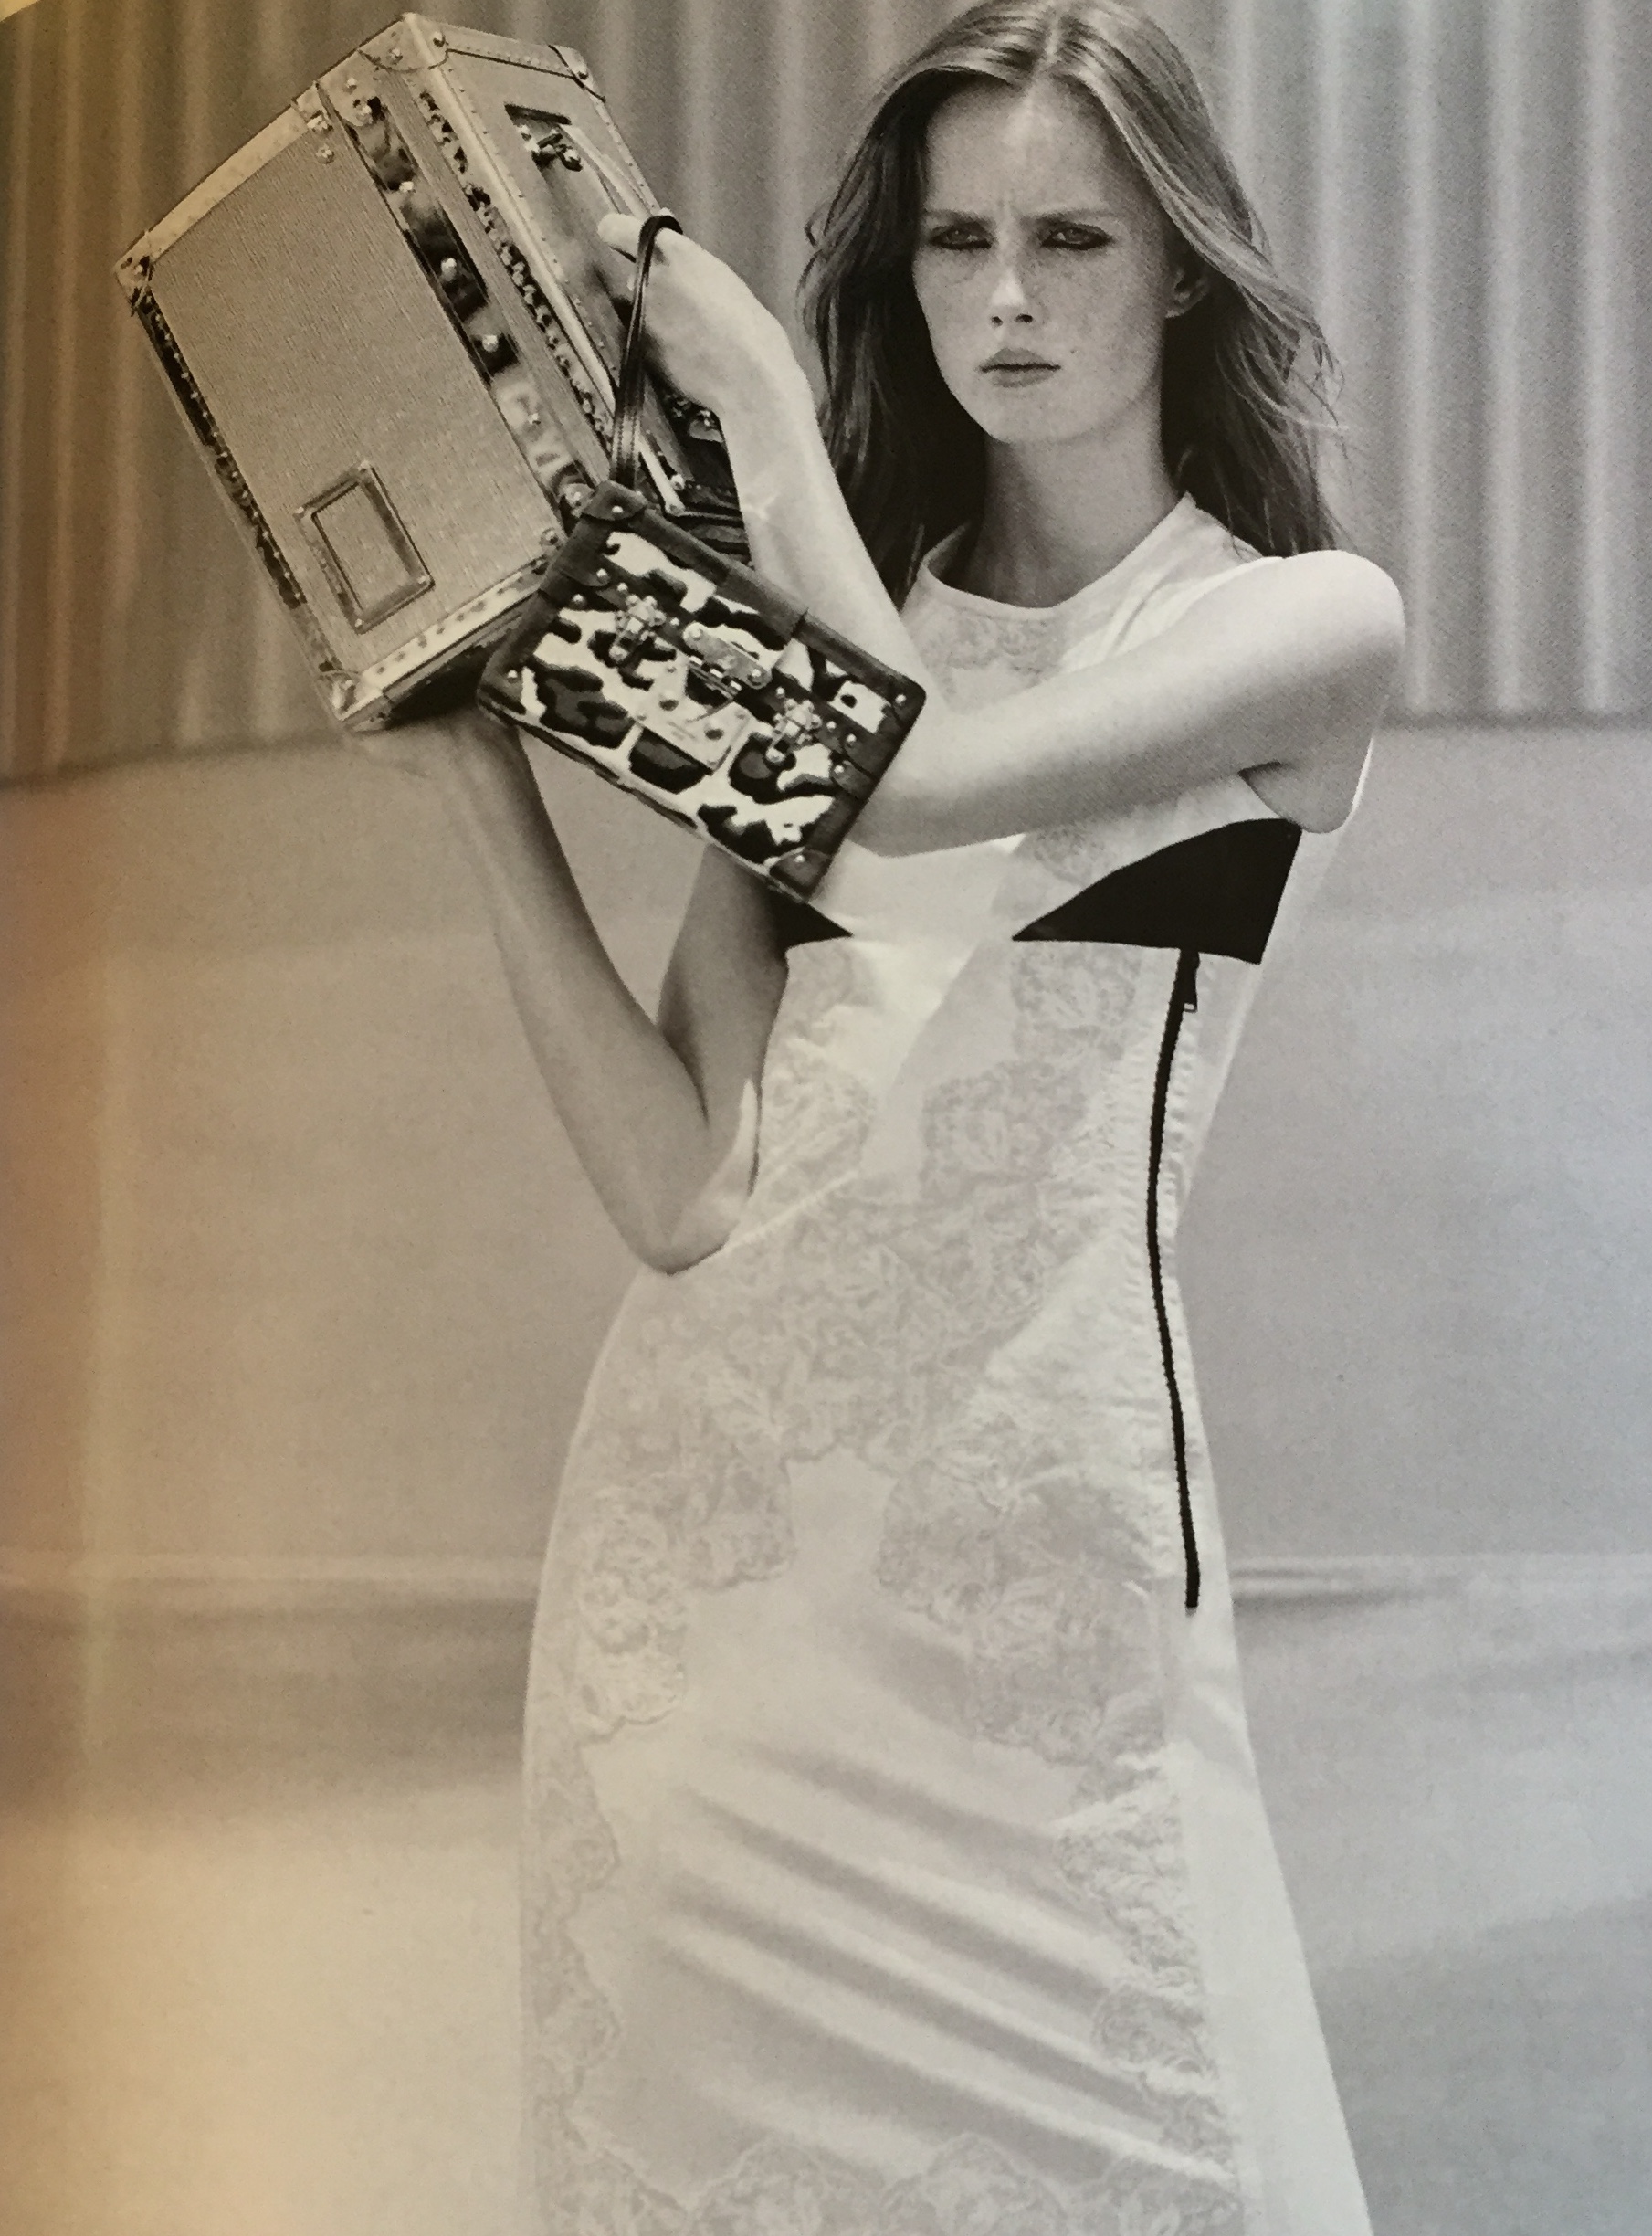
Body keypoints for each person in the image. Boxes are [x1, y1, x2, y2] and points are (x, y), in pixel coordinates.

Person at [389, 4, 1400, 2228]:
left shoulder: (1304, 626)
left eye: (1071, 239)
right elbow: (683, 1188)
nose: (1007, 298)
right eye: (958, 242)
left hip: (1029, 1578)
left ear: (1181, 270)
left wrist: (759, 406)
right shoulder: (832, 632)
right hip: (713, 1581)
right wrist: (465, 758)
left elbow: (915, 787)